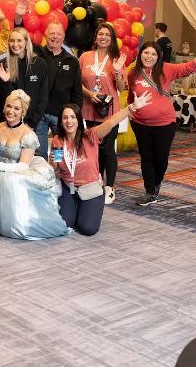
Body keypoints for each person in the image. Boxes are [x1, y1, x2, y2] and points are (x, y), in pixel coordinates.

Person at [128, 35, 196, 206]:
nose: (149, 57)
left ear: (158, 56)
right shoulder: (133, 73)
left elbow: (189, 68)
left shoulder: (166, 69)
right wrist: (130, 109)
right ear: (140, 55)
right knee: (146, 158)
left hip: (164, 124)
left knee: (160, 158)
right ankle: (150, 191)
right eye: (146, 53)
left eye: (153, 54)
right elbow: (132, 95)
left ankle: (156, 183)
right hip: (140, 124)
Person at [51, 93, 151, 235]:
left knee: (87, 228)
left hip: (90, 188)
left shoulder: (90, 136)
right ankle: (78, 206)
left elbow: (110, 123)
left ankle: (93, 204)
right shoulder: (58, 141)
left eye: (73, 117)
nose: (69, 121)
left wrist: (131, 107)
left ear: (79, 120)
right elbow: (57, 166)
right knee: (64, 224)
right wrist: (53, 163)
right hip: (69, 188)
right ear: (61, 121)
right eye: (65, 117)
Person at [0, 90, 69, 240]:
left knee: (12, 182)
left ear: (23, 112)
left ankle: (18, 223)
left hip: (17, 171)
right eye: (8, 106)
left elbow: (23, 166)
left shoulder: (28, 134)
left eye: (16, 108)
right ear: (3, 107)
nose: (11, 111)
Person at [79, 22, 127, 198]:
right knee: (92, 148)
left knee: (107, 150)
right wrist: (89, 93)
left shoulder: (117, 58)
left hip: (110, 111)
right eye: (101, 34)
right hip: (88, 108)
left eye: (107, 34)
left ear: (112, 38)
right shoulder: (85, 56)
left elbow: (121, 88)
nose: (104, 37)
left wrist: (117, 72)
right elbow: (77, 82)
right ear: (96, 37)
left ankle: (110, 186)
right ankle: (96, 180)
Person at [34, 21, 83, 159]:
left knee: (60, 152)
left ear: (63, 37)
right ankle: (42, 178)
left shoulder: (72, 61)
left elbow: (77, 91)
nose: (55, 37)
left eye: (58, 34)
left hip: (61, 115)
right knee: (39, 153)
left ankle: (61, 175)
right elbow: (22, 37)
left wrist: (75, 115)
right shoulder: (36, 54)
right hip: (39, 115)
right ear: (45, 34)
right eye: (52, 33)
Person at [0, 27, 48, 127]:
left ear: (27, 42)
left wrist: (32, 123)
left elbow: (43, 97)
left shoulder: (40, 64)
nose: (15, 44)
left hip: (31, 122)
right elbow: (2, 97)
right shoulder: (3, 64)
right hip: (8, 121)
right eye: (12, 41)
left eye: (19, 40)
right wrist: (6, 82)